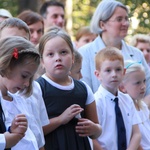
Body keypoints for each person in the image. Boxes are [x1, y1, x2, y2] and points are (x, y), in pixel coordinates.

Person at [36, 27, 102, 150]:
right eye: (50, 54)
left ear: (72, 57)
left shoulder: (83, 88)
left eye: (63, 52)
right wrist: (61, 119)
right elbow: (33, 131)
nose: (58, 58)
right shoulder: (37, 88)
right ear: (42, 62)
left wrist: (94, 128)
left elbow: (97, 130)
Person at [79, 0, 150, 95]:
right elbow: (84, 93)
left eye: (126, 19)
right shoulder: (84, 53)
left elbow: (148, 89)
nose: (125, 23)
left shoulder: (137, 54)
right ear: (102, 24)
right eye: (119, 19)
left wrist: (138, 108)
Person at [0, 18, 50, 149]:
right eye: (24, 76)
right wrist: (7, 139)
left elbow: (37, 134)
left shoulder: (20, 98)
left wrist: (13, 131)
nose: (27, 83)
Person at [94, 47, 141, 150]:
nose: (114, 74)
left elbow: (136, 133)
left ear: (124, 72)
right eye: (108, 70)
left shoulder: (128, 100)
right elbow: (92, 139)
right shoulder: (96, 102)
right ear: (98, 75)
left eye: (118, 69)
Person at [119, 60, 150, 150]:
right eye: (138, 83)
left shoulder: (142, 106)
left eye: (144, 81)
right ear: (122, 87)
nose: (143, 86)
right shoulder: (125, 109)